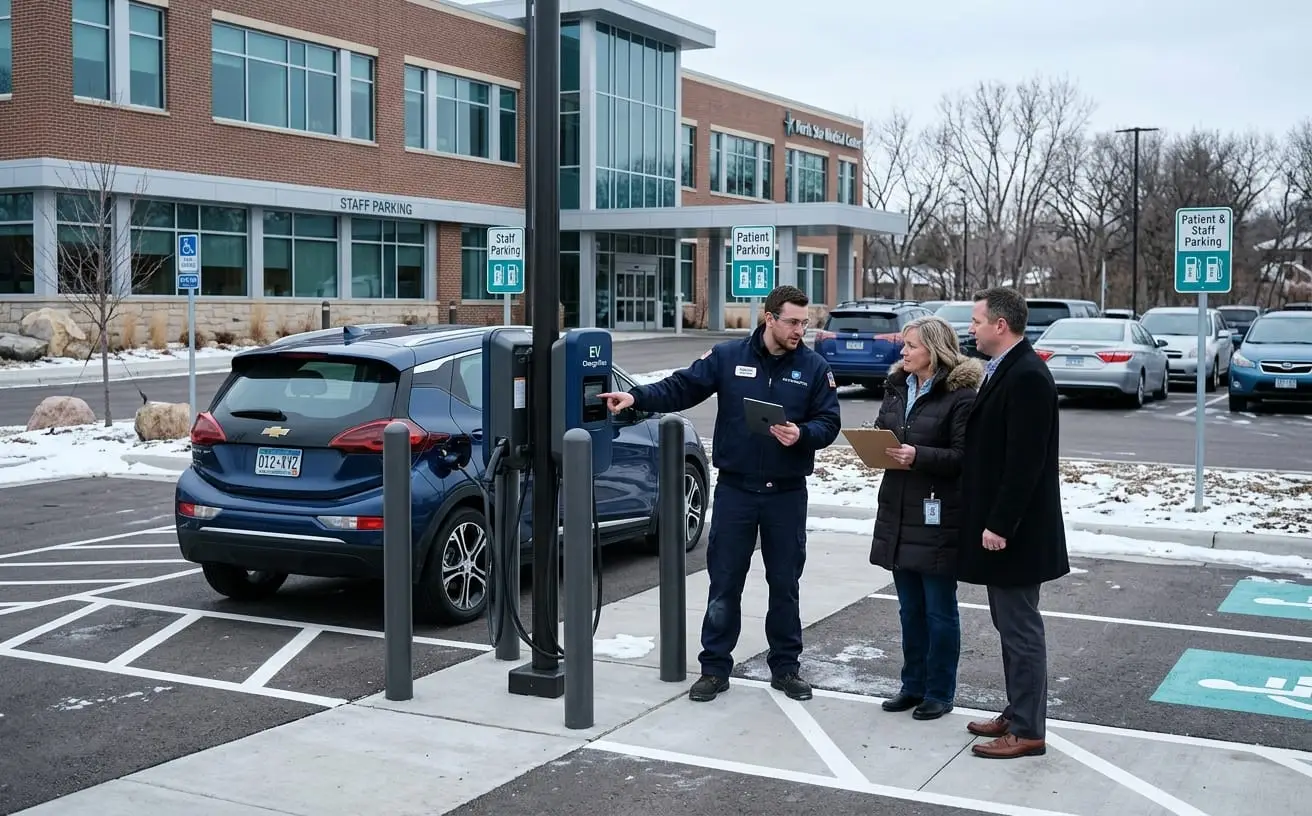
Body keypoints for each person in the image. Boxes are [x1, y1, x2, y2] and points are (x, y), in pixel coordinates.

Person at [597, 285, 841, 703]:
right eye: (794, 322)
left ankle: (786, 668)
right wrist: (636, 397)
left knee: (785, 584)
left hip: (786, 493)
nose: (802, 330)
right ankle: (714, 668)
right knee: (725, 582)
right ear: (770, 319)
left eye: (806, 322)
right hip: (736, 491)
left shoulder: (814, 367)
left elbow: (829, 422)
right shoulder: (729, 357)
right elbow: (683, 387)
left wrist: (802, 434)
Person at [957, 286, 1069, 760]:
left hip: (1018, 533)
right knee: (1010, 627)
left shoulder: (1026, 376)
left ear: (1000, 325)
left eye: (977, 321)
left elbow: (1025, 463)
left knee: (1021, 630)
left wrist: (1000, 524)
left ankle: (1027, 730)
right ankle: (1017, 710)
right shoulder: (1006, 369)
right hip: (1008, 529)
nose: (972, 328)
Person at [868, 315, 983, 721]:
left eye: (911, 346)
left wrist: (918, 456)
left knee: (938, 610)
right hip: (897, 510)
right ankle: (911, 685)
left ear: (933, 350)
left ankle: (939, 691)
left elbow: (965, 458)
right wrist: (875, 444)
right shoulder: (897, 386)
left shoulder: (962, 396)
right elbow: (886, 429)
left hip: (938, 515)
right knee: (909, 610)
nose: (903, 352)